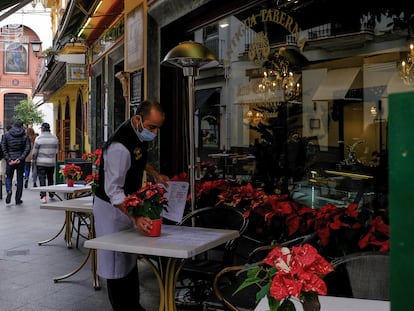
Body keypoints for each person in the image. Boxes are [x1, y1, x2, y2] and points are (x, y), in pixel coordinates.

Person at [94, 99, 169, 311]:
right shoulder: (119, 147)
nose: (154, 133)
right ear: (138, 119)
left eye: (157, 128)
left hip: (126, 203)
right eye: (151, 127)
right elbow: (113, 192)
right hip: (111, 209)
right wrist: (135, 217)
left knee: (128, 258)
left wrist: (155, 174)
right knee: (116, 261)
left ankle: (133, 305)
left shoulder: (136, 133)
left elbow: (139, 157)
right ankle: (122, 306)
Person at [1, 120, 31, 205]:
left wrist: (9, 159)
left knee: (9, 177)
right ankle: (18, 199)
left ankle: (9, 190)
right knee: (20, 179)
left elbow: (3, 148)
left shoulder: (6, 135)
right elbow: (27, 148)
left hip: (10, 160)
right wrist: (20, 159)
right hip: (20, 161)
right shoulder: (25, 136)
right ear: (22, 126)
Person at [32, 122, 59, 203]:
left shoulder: (39, 138)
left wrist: (34, 161)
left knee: (42, 179)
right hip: (51, 162)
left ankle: (43, 197)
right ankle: (51, 193)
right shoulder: (55, 138)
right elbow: (56, 151)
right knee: (50, 178)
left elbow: (34, 152)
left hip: (41, 163)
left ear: (42, 129)